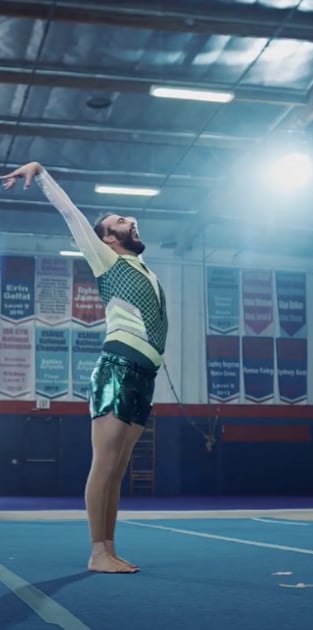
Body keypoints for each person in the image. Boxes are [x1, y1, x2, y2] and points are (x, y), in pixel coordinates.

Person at [2, 161, 167, 574]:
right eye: (120, 220)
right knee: (104, 463)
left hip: (144, 376)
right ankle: (96, 551)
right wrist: (40, 174)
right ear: (108, 238)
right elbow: (72, 215)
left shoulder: (144, 269)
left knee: (119, 470)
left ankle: (108, 548)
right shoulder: (106, 261)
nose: (130, 220)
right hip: (117, 368)